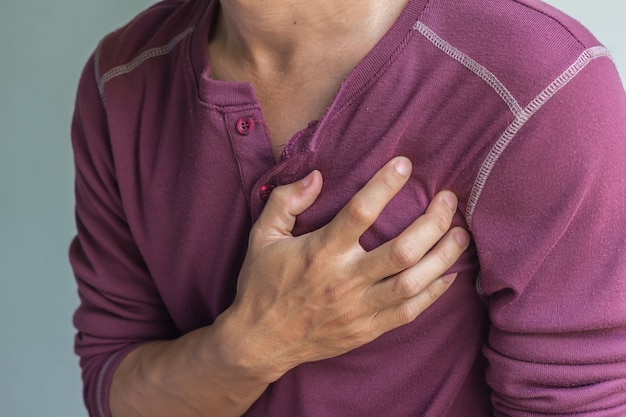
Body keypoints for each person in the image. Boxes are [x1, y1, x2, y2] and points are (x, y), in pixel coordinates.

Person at [69, 0, 626, 415]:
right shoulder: (119, 81)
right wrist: (251, 347)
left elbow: (577, 402)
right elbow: (112, 385)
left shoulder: (538, 83)